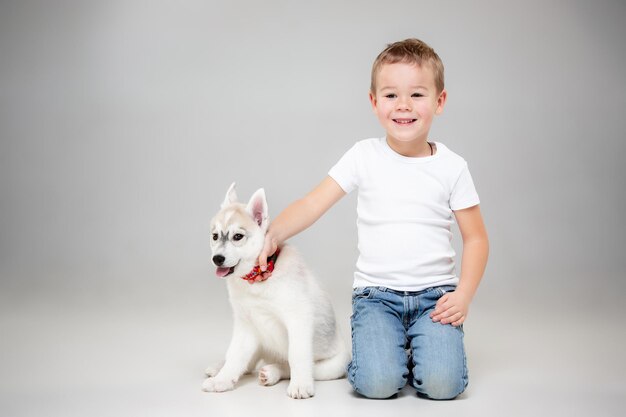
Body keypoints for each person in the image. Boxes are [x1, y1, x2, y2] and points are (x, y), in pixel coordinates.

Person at [254, 38, 488, 400]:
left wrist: (465, 294)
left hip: (434, 298)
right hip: (376, 298)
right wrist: (274, 233)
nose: (404, 106)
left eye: (418, 95)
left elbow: (476, 238)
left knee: (444, 386)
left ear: (439, 102)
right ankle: (387, 347)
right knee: (377, 385)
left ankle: (416, 347)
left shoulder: (452, 167)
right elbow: (313, 203)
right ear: (373, 101)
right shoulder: (363, 156)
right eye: (391, 95)